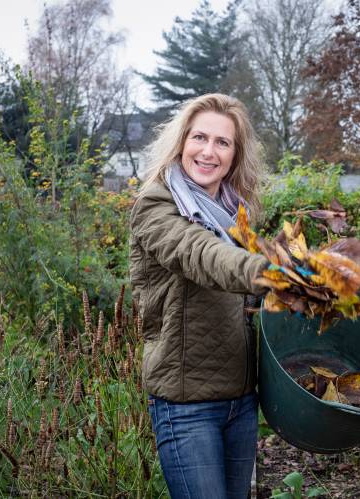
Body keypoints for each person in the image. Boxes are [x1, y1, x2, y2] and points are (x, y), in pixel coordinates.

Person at [129, 93, 270, 499]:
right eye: (200, 138)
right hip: (187, 405)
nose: (209, 152)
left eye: (222, 143)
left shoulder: (233, 212)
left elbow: (244, 303)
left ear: (234, 154)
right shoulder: (156, 206)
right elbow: (202, 255)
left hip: (240, 401)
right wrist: (269, 274)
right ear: (182, 142)